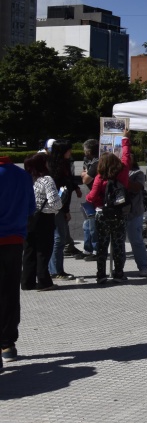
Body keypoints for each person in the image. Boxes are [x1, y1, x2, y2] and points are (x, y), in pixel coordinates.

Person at [1, 152, 37, 370]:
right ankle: (7, 344)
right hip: (13, 241)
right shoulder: (22, 176)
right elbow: (31, 208)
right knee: (9, 292)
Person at [86, 130, 133, 283]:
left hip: (102, 214)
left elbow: (91, 197)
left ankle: (101, 275)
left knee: (102, 245)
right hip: (119, 213)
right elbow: (126, 156)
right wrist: (125, 139)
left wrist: (98, 201)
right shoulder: (123, 171)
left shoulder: (100, 177)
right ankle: (118, 273)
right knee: (119, 244)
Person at [21, 153, 62, 292]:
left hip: (27, 218)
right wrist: (54, 209)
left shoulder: (25, 179)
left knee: (29, 250)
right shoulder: (46, 180)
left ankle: (27, 282)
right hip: (44, 219)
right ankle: (44, 282)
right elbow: (55, 203)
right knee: (43, 251)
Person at [47, 141, 82, 280]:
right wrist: (65, 210)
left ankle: (55, 269)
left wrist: (76, 187)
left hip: (60, 206)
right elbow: (61, 188)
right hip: (57, 207)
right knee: (59, 238)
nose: (71, 152)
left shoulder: (62, 164)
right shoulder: (56, 167)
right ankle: (56, 271)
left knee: (59, 238)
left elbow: (69, 182)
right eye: (68, 150)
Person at [124, 160, 147, 276]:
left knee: (136, 240)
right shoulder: (115, 172)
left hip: (134, 212)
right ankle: (119, 268)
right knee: (118, 242)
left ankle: (143, 266)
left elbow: (137, 187)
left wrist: (122, 179)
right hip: (119, 212)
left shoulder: (137, 173)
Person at [80, 139, 100, 261]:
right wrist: (85, 174)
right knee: (86, 225)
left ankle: (97, 250)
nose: (84, 151)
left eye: (85, 149)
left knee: (93, 226)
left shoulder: (97, 162)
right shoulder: (88, 160)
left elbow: (85, 179)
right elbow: (83, 174)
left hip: (95, 197)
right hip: (88, 197)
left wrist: (85, 174)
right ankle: (88, 250)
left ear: (89, 150)